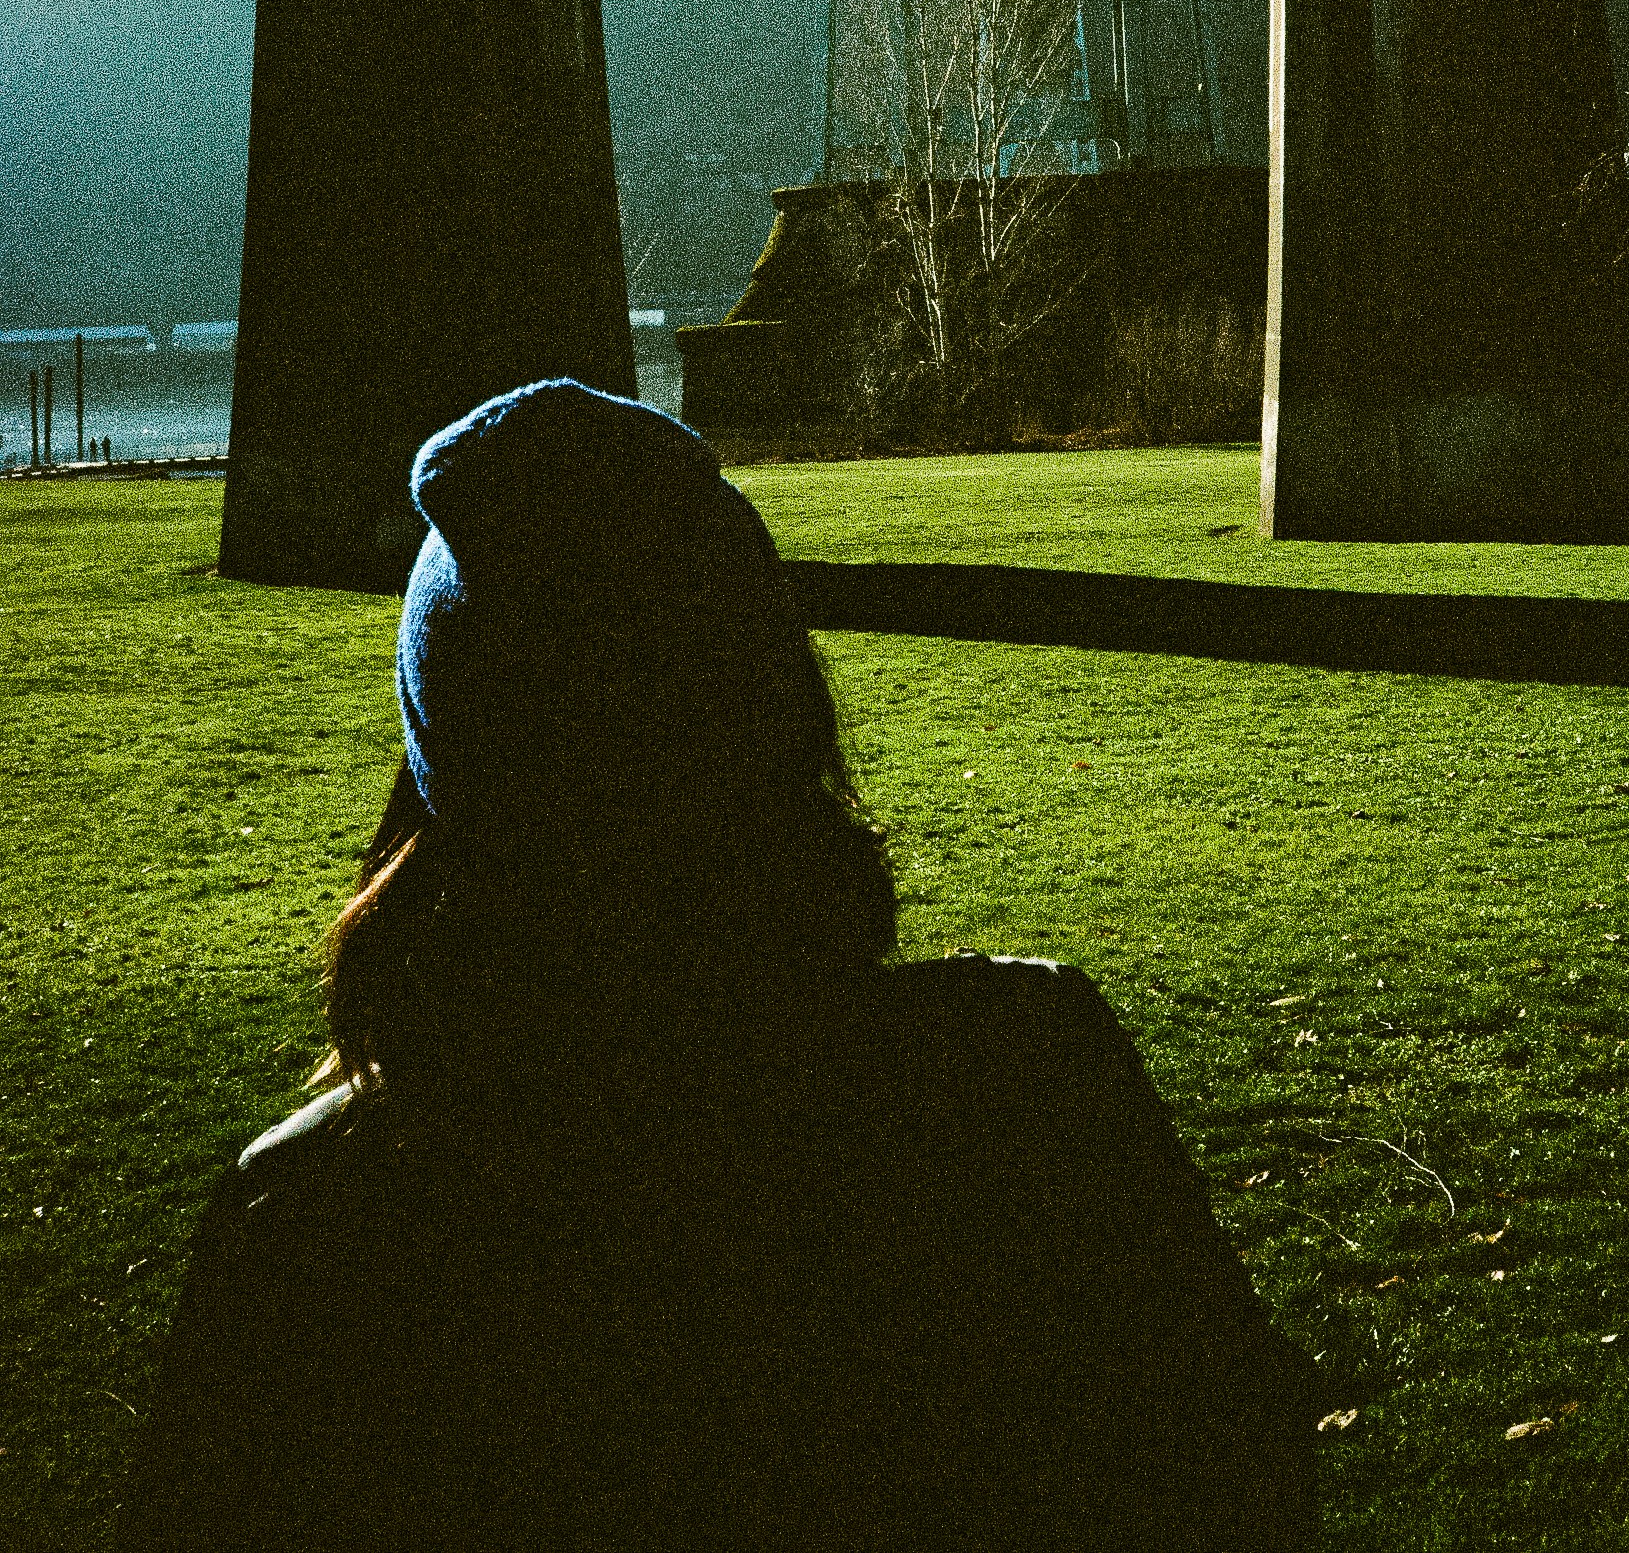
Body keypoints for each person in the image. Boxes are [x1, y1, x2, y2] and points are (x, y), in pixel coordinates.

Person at [121, 379, 1319, 1550]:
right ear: (779, 709)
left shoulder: (318, 1222)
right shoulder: (1027, 1085)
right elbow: (1239, 1472)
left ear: (452, 780)